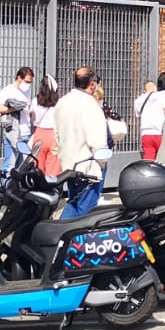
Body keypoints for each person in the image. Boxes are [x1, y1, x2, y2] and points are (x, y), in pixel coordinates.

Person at [54, 65, 110, 217]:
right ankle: (63, 237)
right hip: (88, 166)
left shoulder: (62, 102)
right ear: (92, 84)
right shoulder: (91, 105)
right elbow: (98, 141)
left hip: (68, 164)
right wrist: (103, 162)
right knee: (85, 211)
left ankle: (60, 236)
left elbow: (57, 133)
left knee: (74, 202)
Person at [0, 66, 36, 172]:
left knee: (23, 165)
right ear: (19, 78)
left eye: (30, 82)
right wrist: (15, 108)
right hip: (14, 131)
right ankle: (7, 186)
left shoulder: (26, 91)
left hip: (26, 131)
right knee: (10, 164)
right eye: (26, 81)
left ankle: (17, 187)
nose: (28, 85)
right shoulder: (8, 91)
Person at [135, 72, 165, 161]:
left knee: (149, 160)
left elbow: (138, 114)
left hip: (145, 134)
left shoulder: (139, 100)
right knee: (163, 160)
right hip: (159, 132)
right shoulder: (162, 95)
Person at [28, 75, 62, 177]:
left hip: (39, 134)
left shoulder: (35, 100)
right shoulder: (58, 102)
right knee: (53, 166)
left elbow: (32, 116)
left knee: (38, 164)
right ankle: (51, 188)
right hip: (54, 135)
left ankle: (39, 189)